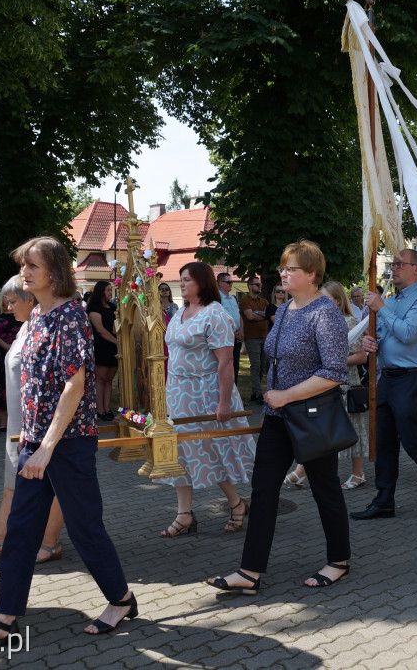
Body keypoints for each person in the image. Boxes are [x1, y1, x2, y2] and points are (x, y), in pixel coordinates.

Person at [0, 236, 136, 648]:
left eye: (32, 266)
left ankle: (122, 599)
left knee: (84, 527)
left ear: (54, 272)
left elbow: (75, 385)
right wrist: (32, 443)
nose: (24, 273)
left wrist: (47, 447)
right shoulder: (36, 315)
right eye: (23, 266)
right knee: (21, 531)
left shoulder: (71, 317)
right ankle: (3, 621)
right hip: (37, 442)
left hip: (67, 443)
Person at [206, 240, 350, 594]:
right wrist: (277, 399)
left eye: (292, 269)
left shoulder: (325, 313)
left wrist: (287, 394)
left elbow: (335, 371)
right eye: (283, 268)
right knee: (264, 489)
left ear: (313, 275)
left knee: (325, 488)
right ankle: (249, 571)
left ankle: (339, 561)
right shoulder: (283, 311)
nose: (284, 274)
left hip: (310, 415)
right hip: (276, 417)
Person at [0, 276, 66, 563]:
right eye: (5, 300)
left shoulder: (47, 323)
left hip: (41, 420)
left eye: (12, 300)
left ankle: (49, 540)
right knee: (13, 476)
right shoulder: (25, 328)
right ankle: (0, 533)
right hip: (20, 419)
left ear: (31, 299)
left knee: (54, 481)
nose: (7, 306)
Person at [351, 249, 417, 523]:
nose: (394, 269)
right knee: (384, 441)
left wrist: (381, 309)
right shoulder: (392, 301)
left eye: (400, 264)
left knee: (412, 440)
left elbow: (409, 334)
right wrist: (370, 342)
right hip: (386, 378)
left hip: (411, 378)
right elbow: (383, 335)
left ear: (416, 270)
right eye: (394, 264)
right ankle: (384, 499)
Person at [153, 262, 256, 537]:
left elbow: (225, 363)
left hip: (206, 393)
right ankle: (184, 514)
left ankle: (236, 504)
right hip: (177, 393)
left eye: (187, 279)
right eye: (180, 279)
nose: (182, 284)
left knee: (213, 451)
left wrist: (224, 402)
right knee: (179, 453)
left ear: (202, 282)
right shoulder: (180, 313)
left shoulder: (215, 314)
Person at [286, 281, 370, 490]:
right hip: (321, 381)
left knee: (350, 426)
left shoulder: (349, 321)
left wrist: (334, 361)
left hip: (345, 382)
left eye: (325, 298)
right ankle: (301, 471)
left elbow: (361, 357)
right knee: (317, 425)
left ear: (337, 301)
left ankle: (358, 473)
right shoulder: (316, 319)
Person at [0, 287, 24, 432]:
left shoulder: (22, 313)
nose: (7, 300)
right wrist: (6, 346)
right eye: (4, 297)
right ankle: (4, 421)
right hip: (1, 351)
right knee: (4, 385)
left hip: (21, 350)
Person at [87, 280, 118, 421]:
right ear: (100, 291)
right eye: (108, 290)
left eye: (111, 290)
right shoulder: (94, 307)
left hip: (113, 347)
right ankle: (99, 410)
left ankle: (107, 408)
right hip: (101, 346)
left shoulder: (112, 307)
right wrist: (117, 342)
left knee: (109, 379)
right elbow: (100, 330)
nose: (110, 292)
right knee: (100, 379)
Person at [239, 275, 269, 404]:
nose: (260, 286)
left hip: (264, 336)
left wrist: (257, 313)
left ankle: (253, 393)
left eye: (261, 285)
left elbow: (269, 314)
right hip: (252, 338)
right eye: (257, 285)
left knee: (262, 366)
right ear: (250, 286)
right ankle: (258, 395)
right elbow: (250, 316)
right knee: (256, 366)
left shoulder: (264, 301)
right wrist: (260, 314)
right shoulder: (244, 301)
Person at [217, 272, 243, 366]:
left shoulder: (233, 298)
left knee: (235, 364)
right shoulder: (216, 298)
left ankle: (234, 381)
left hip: (237, 337)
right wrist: (231, 332)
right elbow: (217, 319)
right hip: (225, 337)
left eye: (231, 282)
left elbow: (239, 315)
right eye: (228, 282)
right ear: (220, 283)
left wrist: (241, 331)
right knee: (227, 364)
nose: (231, 284)